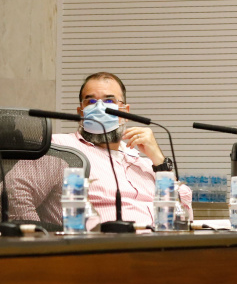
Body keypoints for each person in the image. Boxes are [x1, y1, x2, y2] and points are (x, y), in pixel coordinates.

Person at [9, 72, 191, 230]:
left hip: (159, 249)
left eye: (109, 100)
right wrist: (39, 240)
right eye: (91, 101)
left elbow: (183, 214)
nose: (100, 107)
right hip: (96, 255)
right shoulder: (61, 148)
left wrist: (159, 160)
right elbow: (13, 193)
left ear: (125, 112)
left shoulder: (141, 162)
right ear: (81, 112)